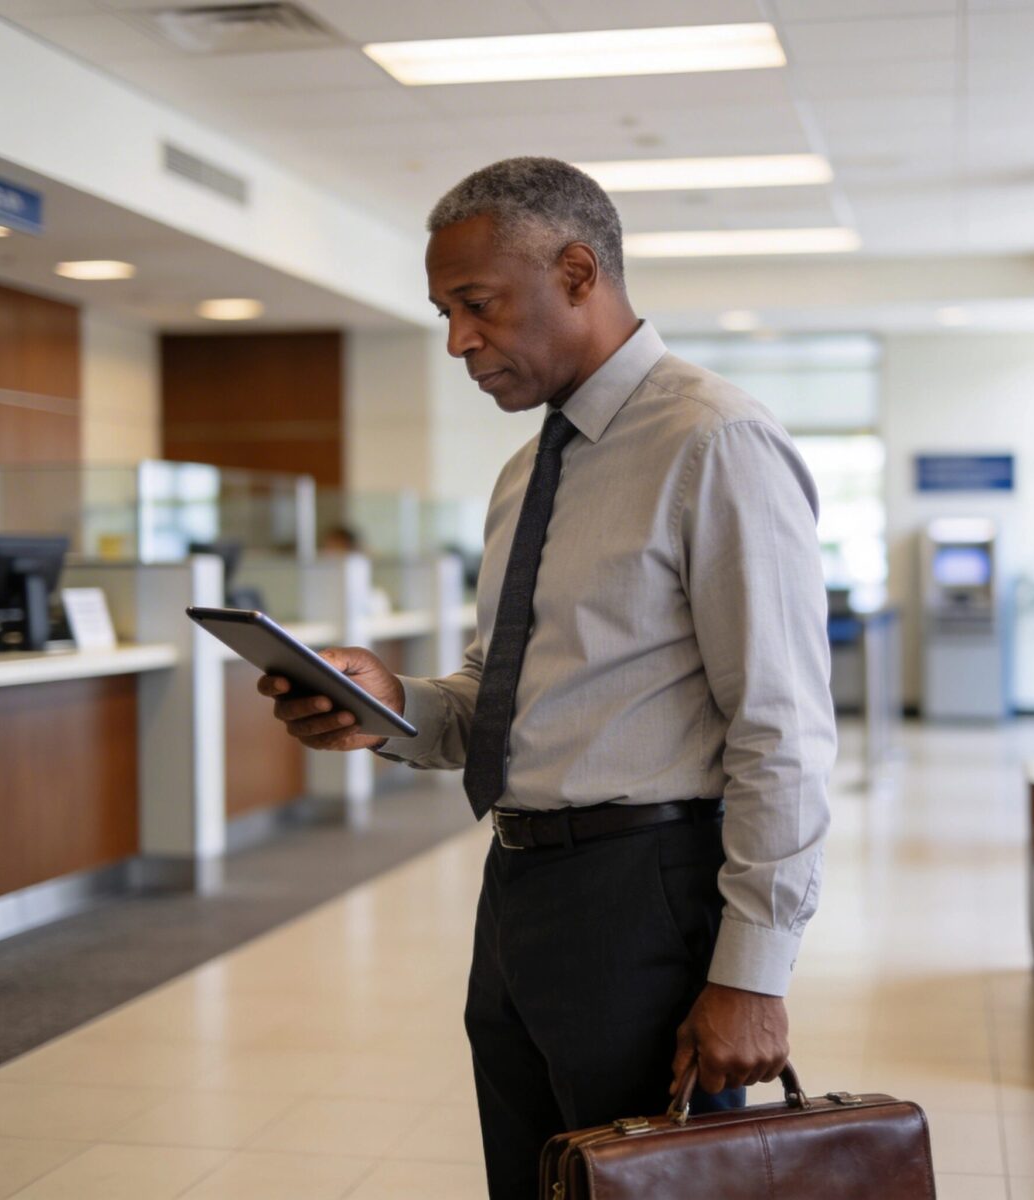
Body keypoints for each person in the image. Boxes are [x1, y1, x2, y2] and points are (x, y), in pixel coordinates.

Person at [259, 157, 836, 1199]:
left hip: (648, 898)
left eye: (476, 305)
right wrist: (384, 702)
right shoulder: (528, 471)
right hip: (521, 891)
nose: (458, 342)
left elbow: (782, 729)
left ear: (578, 271)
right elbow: (499, 695)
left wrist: (753, 973)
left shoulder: (715, 442)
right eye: (443, 313)